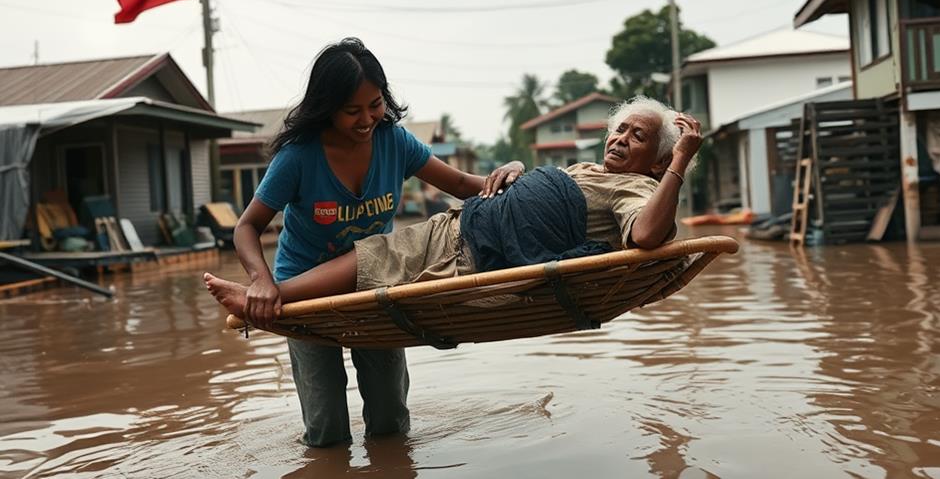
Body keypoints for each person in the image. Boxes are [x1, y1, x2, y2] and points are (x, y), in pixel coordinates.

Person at [225, 37, 525, 447]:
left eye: (376, 104)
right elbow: (246, 227)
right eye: (352, 110)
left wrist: (511, 172)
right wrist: (260, 279)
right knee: (325, 427)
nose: (367, 119)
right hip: (302, 295)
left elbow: (461, 184)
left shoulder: (395, 142)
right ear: (327, 107)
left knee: (390, 419)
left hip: (374, 285)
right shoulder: (298, 156)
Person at [207, 95, 703, 318]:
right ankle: (270, 295)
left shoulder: (638, 189)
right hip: (477, 222)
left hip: (481, 251)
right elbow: (512, 188)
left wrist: (679, 159)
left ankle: (268, 300)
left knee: (377, 257)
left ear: (656, 162)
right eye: (619, 128)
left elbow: (645, 236)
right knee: (379, 252)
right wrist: (511, 168)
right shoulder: (590, 171)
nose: (619, 139)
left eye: (637, 137)